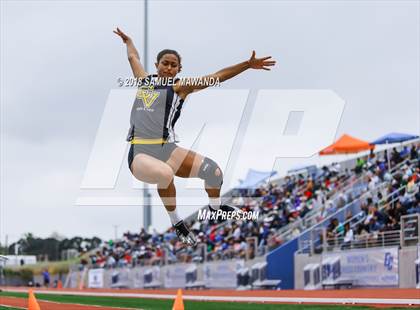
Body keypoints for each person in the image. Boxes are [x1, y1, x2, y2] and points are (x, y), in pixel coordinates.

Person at [114, 28, 275, 246]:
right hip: (140, 153)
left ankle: (216, 209)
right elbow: (133, 57)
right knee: (165, 173)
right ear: (157, 65)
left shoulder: (181, 87)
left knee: (214, 172)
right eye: (165, 63)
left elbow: (217, 77)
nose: (168, 68)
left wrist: (247, 65)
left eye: (173, 65)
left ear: (179, 69)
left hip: (166, 149)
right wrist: (129, 41)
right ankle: (177, 222)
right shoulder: (143, 81)